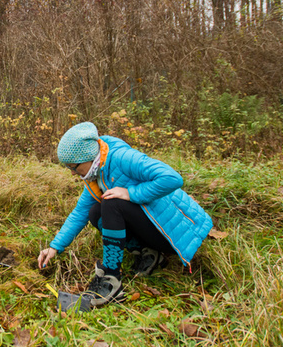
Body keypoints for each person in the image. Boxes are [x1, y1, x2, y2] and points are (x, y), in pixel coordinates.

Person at [37, 122, 212, 306]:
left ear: (88, 157)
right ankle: (149, 255)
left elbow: (172, 178)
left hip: (176, 234)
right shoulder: (97, 172)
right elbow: (80, 212)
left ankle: (111, 279)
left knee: (111, 203)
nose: (73, 173)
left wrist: (130, 193)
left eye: (74, 167)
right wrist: (54, 247)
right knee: (95, 212)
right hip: (155, 228)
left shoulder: (122, 158)